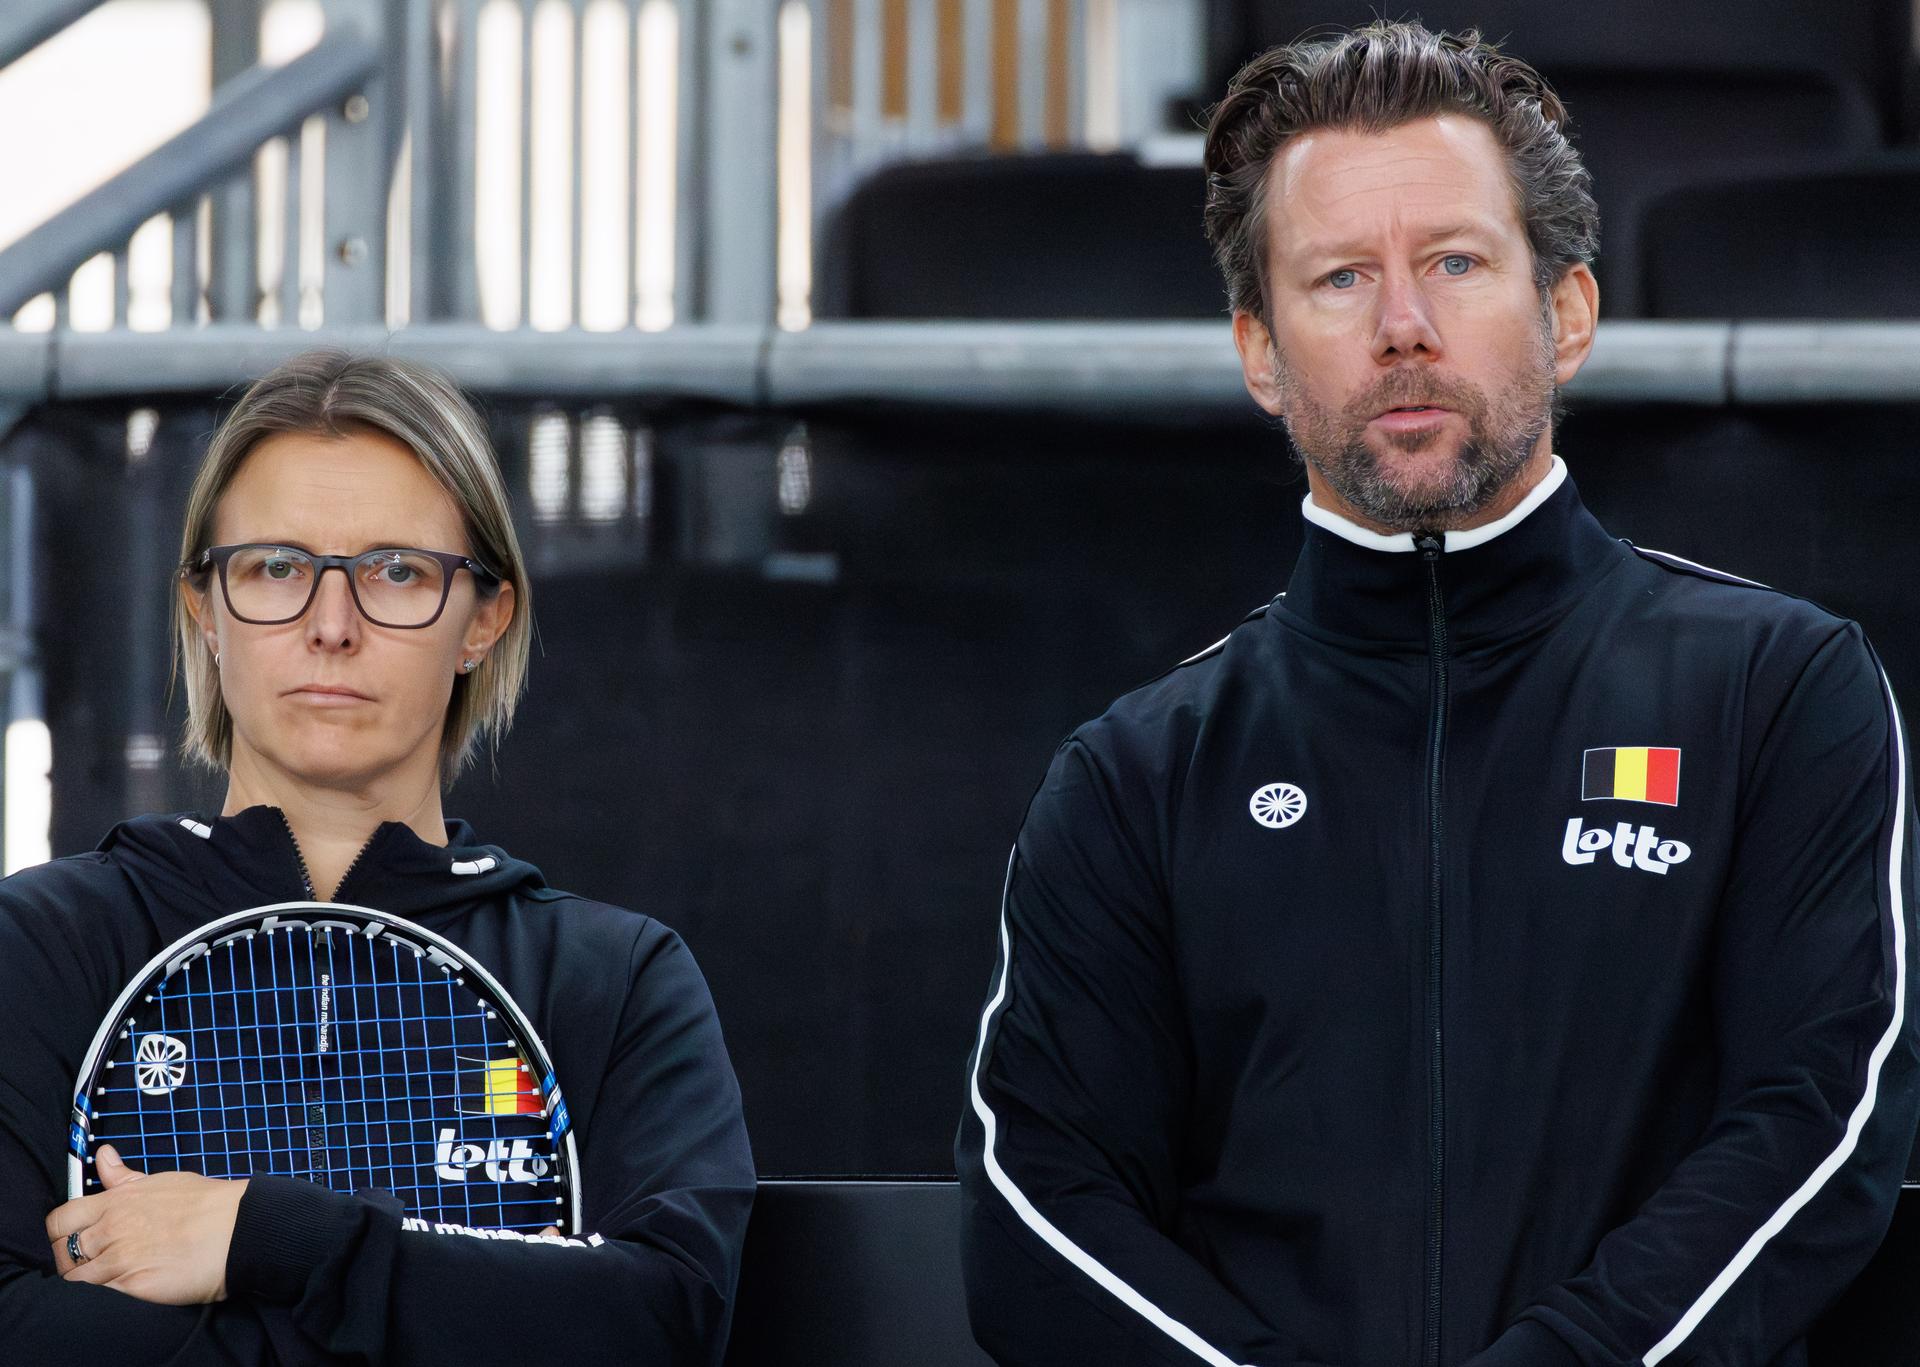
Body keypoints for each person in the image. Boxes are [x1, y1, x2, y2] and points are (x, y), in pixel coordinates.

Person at [957, 21, 1918, 1367]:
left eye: (1455, 264)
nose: (1403, 327)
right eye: (1340, 277)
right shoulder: (1138, 772)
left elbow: (1821, 1120)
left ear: (1566, 310)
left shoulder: (1777, 689)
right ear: (1260, 350)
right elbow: (1034, 1207)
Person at [0, 350, 755, 1364]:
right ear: (203, 608)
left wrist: (261, 1236)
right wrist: (458, 1311)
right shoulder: (38, 947)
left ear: (485, 617)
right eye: (276, 566)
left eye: (397, 570)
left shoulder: (617, 979)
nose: (331, 625)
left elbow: (661, 1321)